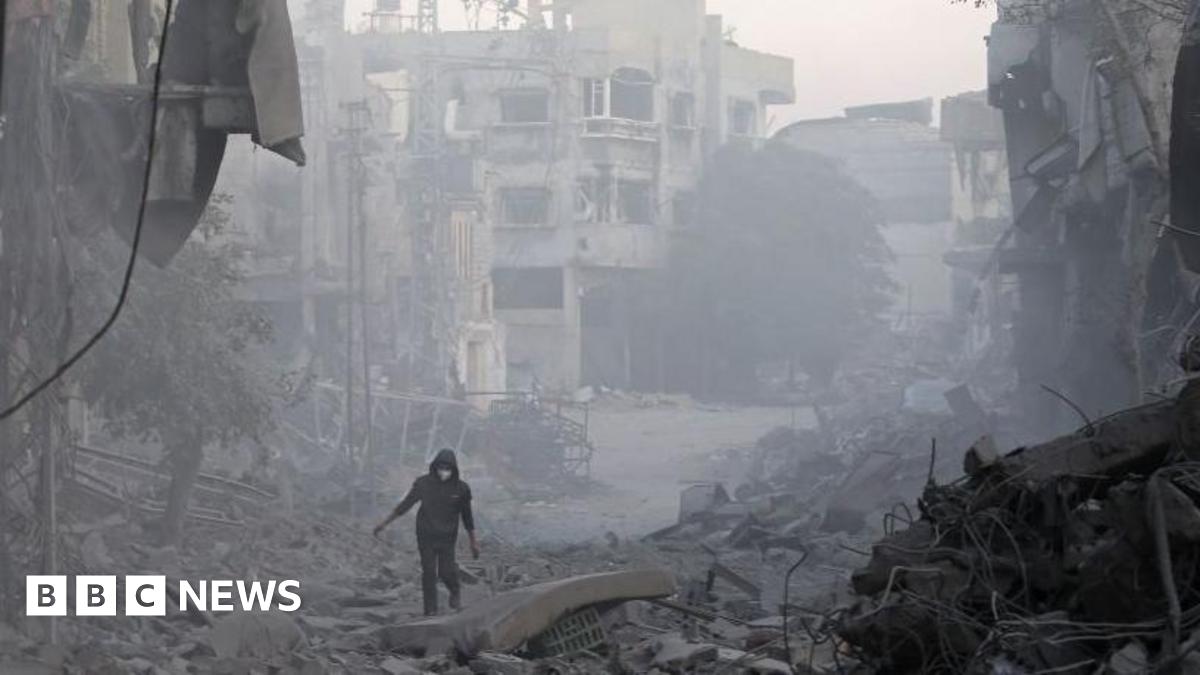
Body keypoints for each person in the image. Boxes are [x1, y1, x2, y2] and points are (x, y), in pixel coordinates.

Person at [374, 449, 480, 616]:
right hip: (426, 535)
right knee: (429, 572)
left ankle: (455, 591)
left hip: (447, 537)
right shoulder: (423, 484)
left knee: (446, 571)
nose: (443, 471)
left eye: (447, 467)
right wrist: (384, 523)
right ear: (435, 466)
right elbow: (406, 505)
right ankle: (430, 610)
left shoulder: (461, 489)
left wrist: (473, 542)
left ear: (454, 469)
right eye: (441, 467)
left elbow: (467, 517)